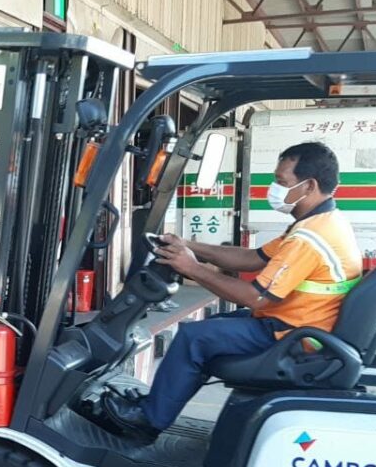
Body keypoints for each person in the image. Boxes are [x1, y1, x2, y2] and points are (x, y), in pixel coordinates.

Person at [103, 141, 362, 439]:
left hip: (293, 337)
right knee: (212, 328)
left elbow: (256, 296)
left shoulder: (310, 237)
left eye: (282, 182)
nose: (275, 189)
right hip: (296, 325)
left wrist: (192, 268)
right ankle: (156, 405)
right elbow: (252, 258)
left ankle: (147, 421)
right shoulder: (321, 223)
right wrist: (188, 247)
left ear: (309, 186)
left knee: (192, 338)